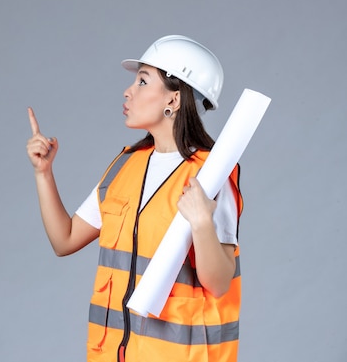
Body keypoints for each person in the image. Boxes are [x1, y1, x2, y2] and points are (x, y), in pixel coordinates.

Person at [26, 35, 244, 362]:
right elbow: (64, 240)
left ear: (175, 99)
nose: (128, 91)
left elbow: (219, 282)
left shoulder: (211, 176)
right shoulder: (125, 166)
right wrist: (43, 174)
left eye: (143, 81)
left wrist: (201, 222)